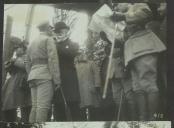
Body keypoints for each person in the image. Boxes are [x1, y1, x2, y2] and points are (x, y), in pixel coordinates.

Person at [124, 4, 166, 120]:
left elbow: (145, 15)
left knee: (148, 83)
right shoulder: (129, 7)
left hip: (144, 44)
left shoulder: (141, 5)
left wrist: (123, 15)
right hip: (134, 44)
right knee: (137, 86)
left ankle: (151, 118)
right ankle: (143, 117)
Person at [26, 21, 61, 123]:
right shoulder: (48, 39)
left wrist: (31, 73)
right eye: (51, 28)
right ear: (47, 28)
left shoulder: (32, 42)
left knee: (35, 107)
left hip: (32, 75)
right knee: (43, 107)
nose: (52, 30)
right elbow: (52, 60)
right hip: (44, 75)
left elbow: (27, 62)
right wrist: (57, 79)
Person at [53, 22, 81, 121]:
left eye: (62, 31)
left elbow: (70, 54)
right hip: (56, 79)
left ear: (67, 31)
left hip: (69, 80)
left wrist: (56, 45)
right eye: (57, 31)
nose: (59, 33)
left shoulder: (73, 44)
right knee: (58, 108)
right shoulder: (52, 44)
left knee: (73, 107)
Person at [2, 43, 31, 122]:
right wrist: (13, 59)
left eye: (18, 48)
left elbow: (26, 67)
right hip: (13, 83)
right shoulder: (14, 58)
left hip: (23, 83)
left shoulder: (26, 57)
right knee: (9, 105)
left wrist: (15, 60)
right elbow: (6, 67)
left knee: (23, 105)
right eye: (15, 49)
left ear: (23, 49)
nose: (16, 50)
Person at [75, 50, 102, 121]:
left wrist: (97, 85)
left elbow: (96, 74)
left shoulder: (91, 63)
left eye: (81, 54)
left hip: (91, 88)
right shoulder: (75, 65)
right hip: (80, 90)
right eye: (78, 54)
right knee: (81, 108)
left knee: (93, 107)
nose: (79, 55)